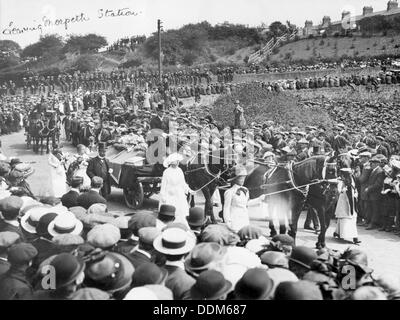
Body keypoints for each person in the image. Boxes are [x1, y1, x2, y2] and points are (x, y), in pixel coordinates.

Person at [159, 153, 193, 227]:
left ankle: (181, 226)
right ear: (171, 162)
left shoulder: (180, 170)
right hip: (170, 194)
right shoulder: (166, 172)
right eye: (176, 161)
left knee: (181, 213)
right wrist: (163, 197)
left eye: (178, 161)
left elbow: (183, 183)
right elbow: (163, 186)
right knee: (170, 212)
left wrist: (190, 190)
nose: (178, 163)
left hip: (179, 194)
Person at [333, 168, 361, 244]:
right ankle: (340, 233)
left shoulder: (353, 179)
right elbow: (338, 191)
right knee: (344, 218)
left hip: (352, 201)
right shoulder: (341, 181)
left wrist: (356, 193)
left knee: (352, 218)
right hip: (344, 202)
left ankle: (354, 237)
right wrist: (343, 190)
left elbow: (355, 188)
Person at [223, 166, 250, 233]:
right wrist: (228, 222)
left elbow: (246, 204)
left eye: (244, 178)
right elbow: (226, 208)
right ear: (235, 179)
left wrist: (259, 199)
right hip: (235, 220)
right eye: (240, 178)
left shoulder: (245, 190)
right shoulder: (229, 192)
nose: (242, 180)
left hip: (245, 220)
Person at [365, 157, 385, 230]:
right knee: (373, 208)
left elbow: (378, 184)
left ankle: (373, 223)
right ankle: (372, 222)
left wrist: (369, 188)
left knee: (375, 209)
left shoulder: (380, 171)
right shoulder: (374, 170)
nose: (371, 164)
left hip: (376, 193)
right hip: (372, 193)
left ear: (377, 163)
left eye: (372, 163)